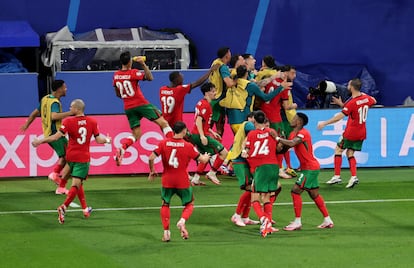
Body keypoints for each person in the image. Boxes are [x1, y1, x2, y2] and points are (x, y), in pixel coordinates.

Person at [32, 99, 112, 224]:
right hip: (83, 158)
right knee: (76, 184)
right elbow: (99, 140)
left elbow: (55, 137)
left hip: (71, 157)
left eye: (71, 107)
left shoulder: (68, 121)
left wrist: (40, 141)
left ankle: (85, 209)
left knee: (78, 182)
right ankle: (63, 207)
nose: (70, 109)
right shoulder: (92, 121)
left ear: (77, 109)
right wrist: (107, 140)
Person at [148, 121, 210, 242]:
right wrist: (207, 157)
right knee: (189, 204)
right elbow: (202, 160)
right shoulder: (187, 146)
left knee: (165, 204)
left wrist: (152, 170)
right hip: (182, 180)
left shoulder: (163, 143)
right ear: (183, 131)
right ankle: (182, 221)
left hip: (167, 180)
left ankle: (166, 233)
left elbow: (151, 157)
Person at [113, 51, 173, 166]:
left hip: (128, 107)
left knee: (136, 134)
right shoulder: (133, 72)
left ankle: (123, 148)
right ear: (130, 61)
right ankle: (173, 145)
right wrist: (143, 64)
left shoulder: (116, 75)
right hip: (141, 104)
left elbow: (118, 94)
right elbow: (150, 78)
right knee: (164, 123)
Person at [277, 112, 334, 231]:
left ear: (299, 122)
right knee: (314, 194)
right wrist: (278, 145)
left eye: (294, 118)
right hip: (308, 168)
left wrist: (277, 138)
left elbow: (292, 143)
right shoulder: (293, 134)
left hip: (310, 168)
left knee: (295, 191)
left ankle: (297, 222)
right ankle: (327, 220)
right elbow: (285, 148)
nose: (291, 120)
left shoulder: (304, 133)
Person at [318, 78, 377, 188]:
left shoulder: (351, 103)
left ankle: (337, 176)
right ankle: (354, 176)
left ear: (352, 87)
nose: (347, 86)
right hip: (362, 132)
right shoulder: (366, 99)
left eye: (349, 85)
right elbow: (373, 101)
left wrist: (325, 123)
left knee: (338, 149)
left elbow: (339, 117)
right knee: (350, 153)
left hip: (351, 132)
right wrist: (342, 104)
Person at [20, 79, 72, 195]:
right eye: (64, 87)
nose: (66, 89)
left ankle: (57, 179)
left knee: (65, 157)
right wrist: (71, 113)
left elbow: (35, 112)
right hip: (56, 134)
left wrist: (27, 124)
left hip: (47, 133)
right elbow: (54, 116)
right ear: (59, 89)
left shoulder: (45, 99)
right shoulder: (54, 103)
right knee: (70, 158)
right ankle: (56, 177)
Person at [241, 111, 280, 237]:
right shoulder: (271, 132)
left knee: (255, 198)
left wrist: (245, 153)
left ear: (254, 121)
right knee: (267, 196)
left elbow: (246, 151)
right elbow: (279, 146)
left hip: (260, 168)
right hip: (273, 166)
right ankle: (268, 224)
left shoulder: (252, 134)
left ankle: (264, 220)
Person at [189, 82, 228, 186]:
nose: (215, 93)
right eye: (213, 91)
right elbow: (198, 120)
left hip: (197, 134)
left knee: (206, 156)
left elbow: (203, 122)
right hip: (200, 134)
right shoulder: (205, 105)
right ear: (207, 93)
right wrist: (202, 135)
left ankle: (196, 179)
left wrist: (212, 131)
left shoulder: (202, 103)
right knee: (224, 153)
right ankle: (212, 173)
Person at [209, 47, 236, 137]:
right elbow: (228, 83)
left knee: (208, 125)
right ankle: (217, 147)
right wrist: (238, 80)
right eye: (229, 52)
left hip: (212, 97)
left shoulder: (215, 62)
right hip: (218, 100)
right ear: (227, 55)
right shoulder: (223, 67)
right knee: (219, 127)